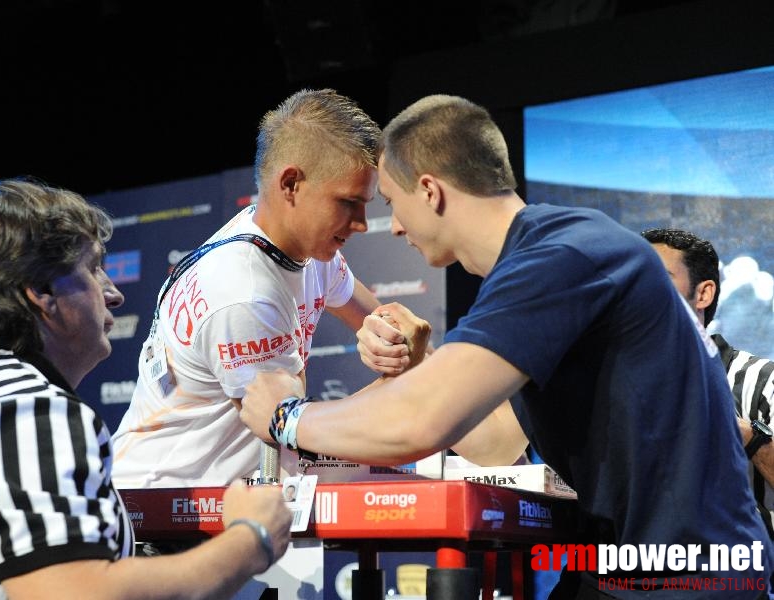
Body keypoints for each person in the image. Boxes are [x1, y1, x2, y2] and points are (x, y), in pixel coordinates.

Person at [239, 95, 774, 598]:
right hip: (635, 566)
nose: (394, 227)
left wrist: (285, 418)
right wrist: (421, 369)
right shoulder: (546, 256)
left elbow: (418, 424)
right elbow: (496, 442)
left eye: (391, 204)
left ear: (431, 191)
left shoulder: (562, 255)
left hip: (688, 573)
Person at [0, 178, 291, 600]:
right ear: (41, 292)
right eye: (92, 268)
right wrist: (251, 538)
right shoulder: (24, 409)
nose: (113, 293)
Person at [111, 88, 393, 488]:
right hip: (165, 513)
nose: (362, 222)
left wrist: (394, 341)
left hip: (218, 504)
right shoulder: (244, 293)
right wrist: (405, 395)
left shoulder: (300, 247)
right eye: (348, 203)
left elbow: (376, 321)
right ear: (291, 184)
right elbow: (288, 429)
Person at [642, 227, 774, 538]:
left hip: (739, 572)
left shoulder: (762, 380)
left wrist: (747, 435)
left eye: (657, 279)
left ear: (703, 293)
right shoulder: (609, 384)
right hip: (623, 571)